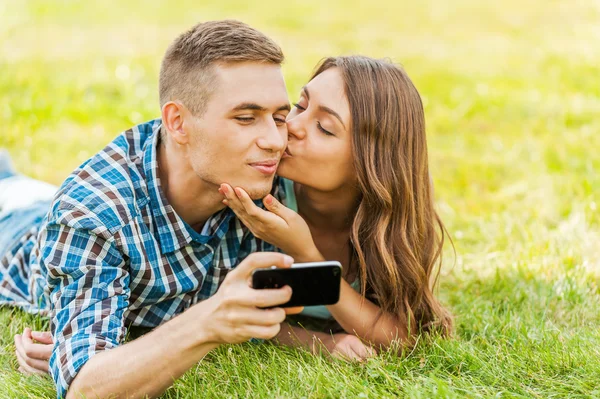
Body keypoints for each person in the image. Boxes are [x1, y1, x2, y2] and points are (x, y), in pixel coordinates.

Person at [1, 20, 302, 399]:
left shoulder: (268, 172)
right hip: (16, 230)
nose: (275, 141)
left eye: (279, 117)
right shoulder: (92, 216)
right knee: (13, 193)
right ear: (178, 122)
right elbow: (86, 389)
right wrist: (207, 323)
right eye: (245, 118)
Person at [220, 55, 453, 357]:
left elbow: (401, 336)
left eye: (325, 128)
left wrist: (308, 255)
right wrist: (322, 343)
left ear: (371, 163)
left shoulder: (390, 222)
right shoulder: (259, 192)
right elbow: (222, 310)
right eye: (299, 106)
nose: (292, 126)